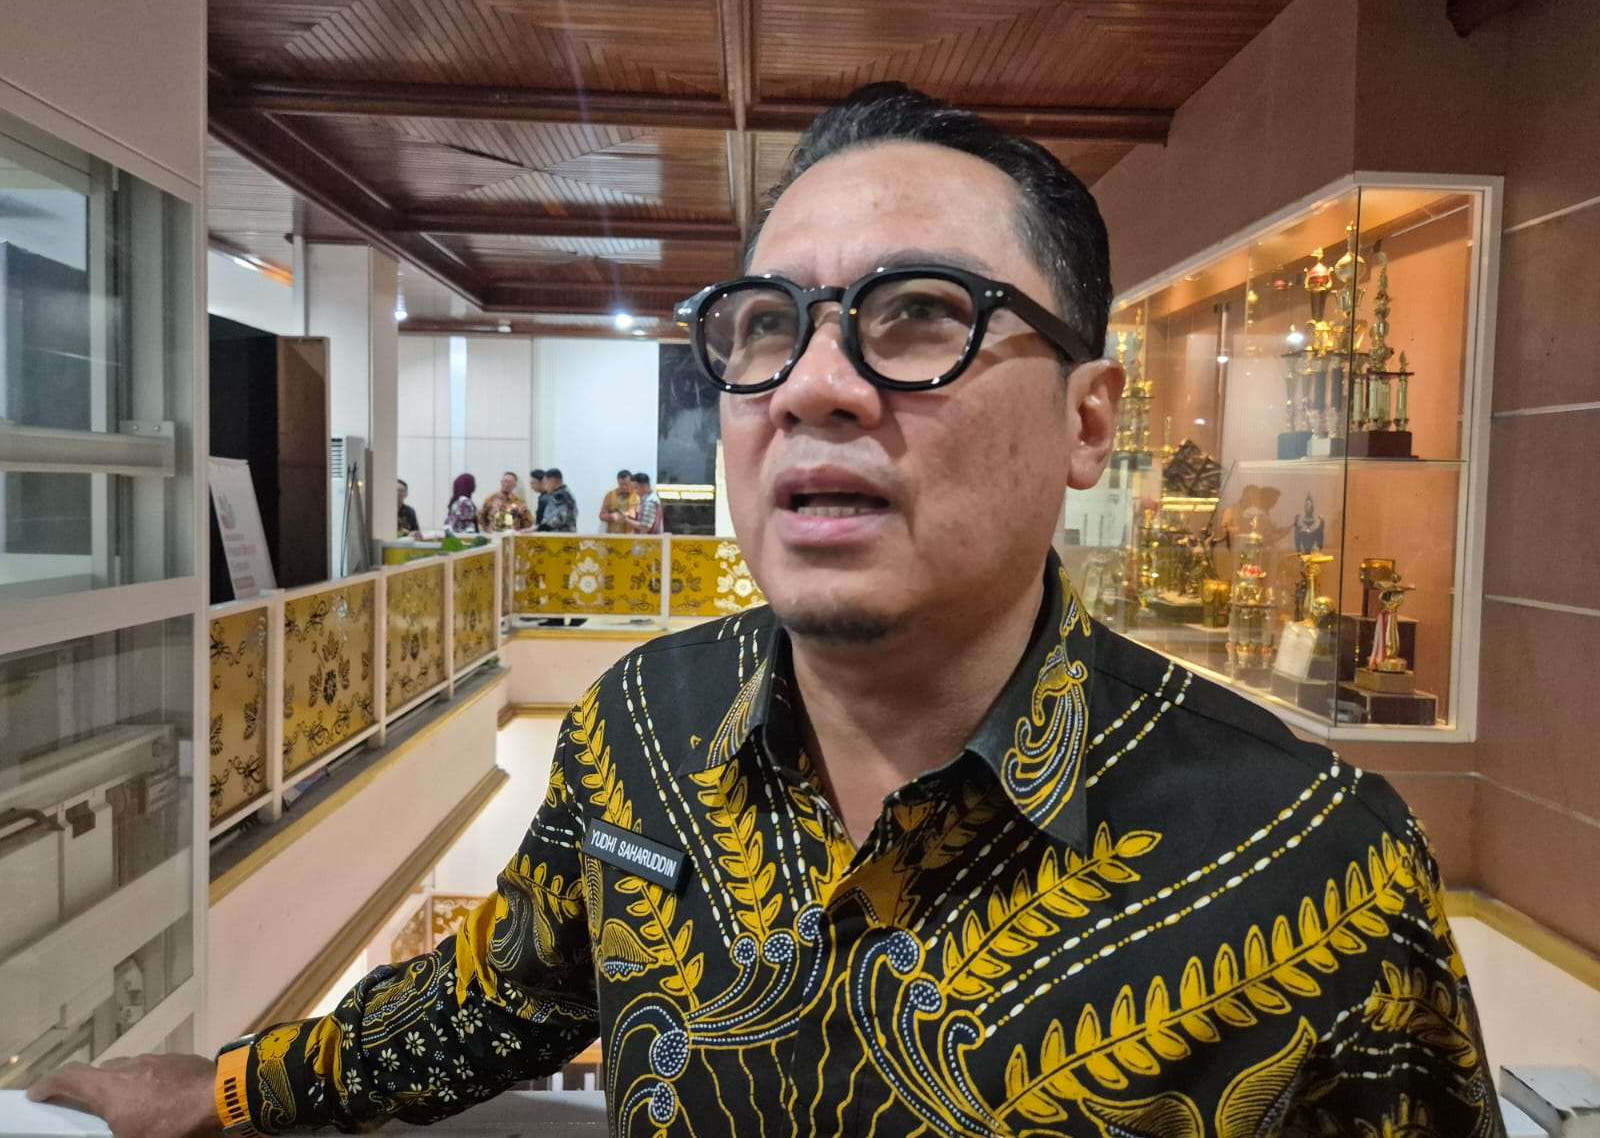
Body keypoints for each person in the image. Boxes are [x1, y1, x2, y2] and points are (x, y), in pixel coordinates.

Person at [31, 83, 1501, 1137]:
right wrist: (226, 1092)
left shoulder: (1317, 865)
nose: (814, 384)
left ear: (1089, 420)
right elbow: (505, 996)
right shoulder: (641, 728)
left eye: (920, 316)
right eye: (766, 327)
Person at [537, 467, 577, 532]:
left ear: (552, 481)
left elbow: (562, 518)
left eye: (545, 483)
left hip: (561, 535)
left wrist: (541, 527)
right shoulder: (558, 495)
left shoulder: (561, 496)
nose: (545, 487)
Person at [598, 468, 638, 533]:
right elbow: (601, 515)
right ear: (617, 482)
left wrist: (624, 515)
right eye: (621, 484)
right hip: (612, 535)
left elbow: (636, 514)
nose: (624, 487)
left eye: (626, 484)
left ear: (631, 482)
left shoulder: (636, 496)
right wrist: (610, 517)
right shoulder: (610, 495)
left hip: (630, 535)